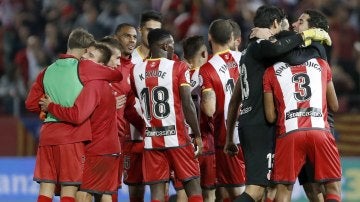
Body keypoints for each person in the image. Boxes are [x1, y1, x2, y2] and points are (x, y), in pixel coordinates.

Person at [224, 5, 332, 202]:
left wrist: (229, 137)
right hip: (266, 125)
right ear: (275, 24)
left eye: (299, 22)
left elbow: (234, 100)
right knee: (257, 190)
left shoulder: (251, 53)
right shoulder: (263, 48)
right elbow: (281, 49)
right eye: (285, 24)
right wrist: (306, 34)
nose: (290, 27)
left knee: (277, 189)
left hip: (272, 125)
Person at [25, 28, 122, 202]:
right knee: (69, 190)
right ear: (86, 51)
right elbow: (115, 74)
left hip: (47, 136)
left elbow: (30, 103)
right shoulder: (84, 68)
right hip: (72, 137)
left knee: (46, 188)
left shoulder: (46, 71)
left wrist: (45, 108)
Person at [130, 28, 203, 202]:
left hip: (151, 139)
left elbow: (139, 98)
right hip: (177, 137)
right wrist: (198, 134)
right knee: (193, 187)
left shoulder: (135, 71)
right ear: (164, 45)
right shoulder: (178, 67)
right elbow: (187, 104)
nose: (173, 48)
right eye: (171, 45)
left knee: (156, 193)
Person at [262, 45, 341, 202]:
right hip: (319, 131)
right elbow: (334, 106)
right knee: (332, 187)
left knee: (283, 190)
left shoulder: (270, 71)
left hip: (289, 133)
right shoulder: (321, 64)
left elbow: (270, 117)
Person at [291, 9, 336, 202]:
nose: (294, 24)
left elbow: (333, 103)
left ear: (314, 30)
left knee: (324, 186)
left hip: (320, 122)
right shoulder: (308, 46)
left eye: (301, 22)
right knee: (311, 187)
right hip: (301, 122)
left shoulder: (316, 48)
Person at [199, 19, 245, 201]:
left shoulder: (207, 68)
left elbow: (209, 109)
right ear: (232, 37)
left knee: (235, 191)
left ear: (210, 37)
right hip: (252, 132)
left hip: (227, 138)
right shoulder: (246, 59)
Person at [114, 23, 147, 202]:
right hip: (115, 138)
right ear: (116, 38)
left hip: (133, 137)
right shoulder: (110, 67)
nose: (132, 40)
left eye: (134, 37)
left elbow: (129, 107)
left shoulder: (138, 68)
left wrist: (145, 128)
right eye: (127, 36)